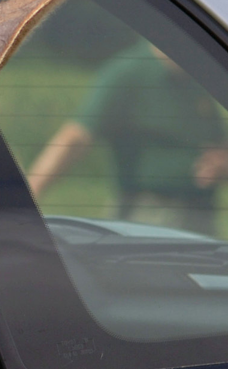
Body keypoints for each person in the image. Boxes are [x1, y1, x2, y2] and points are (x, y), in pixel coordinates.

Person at [28, 39, 228, 235]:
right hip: (146, 216)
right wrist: (29, 194)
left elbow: (218, 142)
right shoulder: (128, 73)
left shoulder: (197, 75)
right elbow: (76, 137)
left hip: (201, 215)